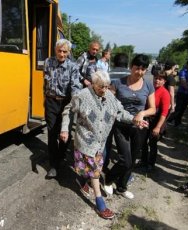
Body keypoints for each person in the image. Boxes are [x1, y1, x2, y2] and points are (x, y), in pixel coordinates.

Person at [60, 71, 148, 219]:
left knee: (90, 167)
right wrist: (64, 129)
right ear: (93, 84)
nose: (104, 90)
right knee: (94, 171)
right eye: (101, 87)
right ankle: (100, 202)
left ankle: (82, 180)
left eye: (107, 87)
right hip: (86, 140)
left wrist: (134, 120)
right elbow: (68, 110)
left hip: (100, 142)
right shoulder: (82, 95)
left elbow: (120, 112)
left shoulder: (110, 97)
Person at [104, 54, 156, 199]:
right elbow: (110, 103)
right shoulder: (119, 83)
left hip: (139, 127)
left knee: (132, 160)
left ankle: (122, 187)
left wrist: (142, 113)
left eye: (143, 69)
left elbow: (153, 109)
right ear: (131, 67)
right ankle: (108, 179)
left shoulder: (148, 85)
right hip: (121, 125)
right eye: (137, 68)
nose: (139, 71)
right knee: (124, 159)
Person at [43, 39, 82, 179]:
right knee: (52, 132)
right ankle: (53, 164)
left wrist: (76, 103)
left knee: (65, 132)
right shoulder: (48, 62)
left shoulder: (73, 66)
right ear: (55, 50)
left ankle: (61, 156)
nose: (61, 54)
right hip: (51, 102)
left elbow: (76, 87)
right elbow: (45, 82)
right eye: (59, 50)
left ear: (69, 52)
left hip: (66, 103)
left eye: (65, 51)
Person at [103, 53, 131, 171]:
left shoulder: (107, 75)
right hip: (125, 114)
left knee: (106, 141)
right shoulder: (130, 76)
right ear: (127, 64)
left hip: (107, 113)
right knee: (123, 144)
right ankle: (123, 166)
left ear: (114, 63)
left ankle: (103, 165)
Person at [141, 69, 171, 172]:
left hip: (157, 121)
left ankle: (151, 164)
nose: (157, 80)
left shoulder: (165, 93)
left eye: (160, 79)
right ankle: (143, 161)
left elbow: (164, 113)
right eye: (156, 78)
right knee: (143, 141)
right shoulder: (150, 88)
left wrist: (158, 127)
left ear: (164, 81)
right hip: (147, 118)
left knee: (152, 143)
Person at [167, 59, 188, 127]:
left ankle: (177, 122)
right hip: (181, 92)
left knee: (183, 109)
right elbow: (183, 84)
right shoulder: (183, 71)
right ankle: (170, 120)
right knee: (178, 108)